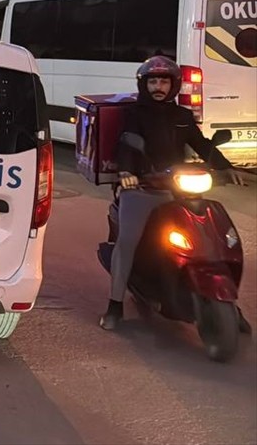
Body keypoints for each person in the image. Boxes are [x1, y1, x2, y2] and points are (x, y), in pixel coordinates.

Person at [100, 55, 246, 331]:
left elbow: (201, 144)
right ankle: (114, 305)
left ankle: (229, 304)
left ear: (174, 85)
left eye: (164, 82)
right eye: (153, 81)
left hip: (177, 186)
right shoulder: (134, 114)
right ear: (144, 85)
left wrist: (225, 166)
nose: (158, 87)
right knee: (128, 241)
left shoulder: (182, 116)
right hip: (143, 187)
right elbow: (125, 144)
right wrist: (126, 173)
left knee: (211, 236)